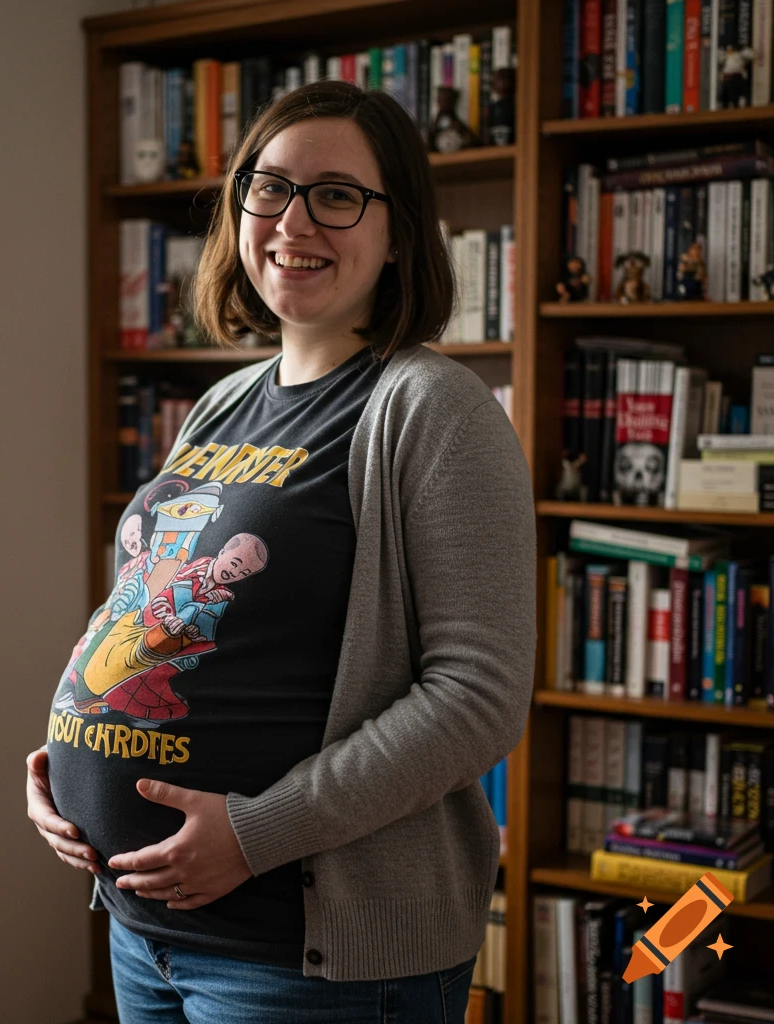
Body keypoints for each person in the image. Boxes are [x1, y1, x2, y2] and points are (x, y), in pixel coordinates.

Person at [27, 79, 536, 1024]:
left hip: (305, 962)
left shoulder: (433, 410)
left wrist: (258, 832)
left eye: (337, 194)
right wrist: (73, 749)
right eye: (268, 188)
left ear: (400, 231)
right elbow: (158, 608)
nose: (293, 220)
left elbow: (479, 699)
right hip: (147, 933)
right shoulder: (222, 403)